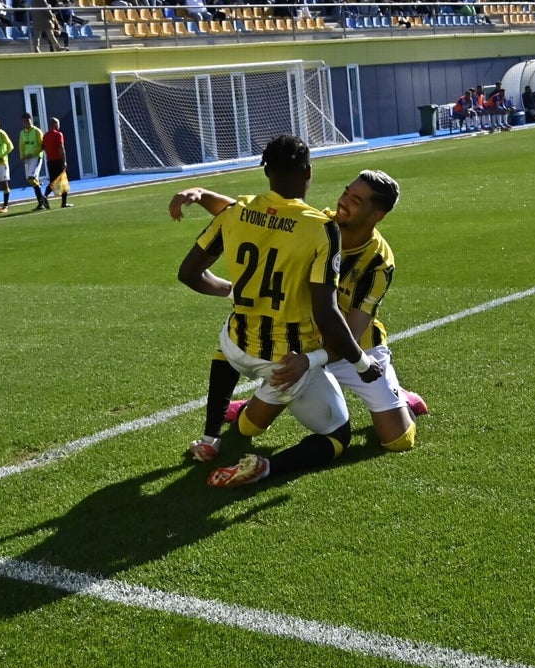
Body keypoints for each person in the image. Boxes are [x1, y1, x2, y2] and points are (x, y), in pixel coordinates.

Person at [171, 170, 426, 463]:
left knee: (398, 440)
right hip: (302, 342)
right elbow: (246, 214)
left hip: (358, 351)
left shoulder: (379, 262)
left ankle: (399, 397)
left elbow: (351, 336)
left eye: (356, 200)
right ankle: (250, 405)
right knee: (247, 426)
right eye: (346, 192)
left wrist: (312, 360)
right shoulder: (319, 224)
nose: (343, 202)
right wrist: (201, 195)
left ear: (376, 215)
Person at [176, 135, 383, 488]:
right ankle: (266, 467)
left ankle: (210, 439)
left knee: (229, 336)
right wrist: (362, 364)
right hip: (285, 364)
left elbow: (188, 273)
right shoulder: (321, 228)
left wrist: (230, 288)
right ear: (308, 172)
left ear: (267, 171)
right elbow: (327, 313)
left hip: (236, 345)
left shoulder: (235, 212)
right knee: (337, 437)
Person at [18, 112, 50, 210]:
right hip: (27, 159)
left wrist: (33, 153)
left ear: (31, 120)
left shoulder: (37, 131)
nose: (26, 123)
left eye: (28, 120)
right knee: (31, 180)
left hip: (36, 157)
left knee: (32, 178)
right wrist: (22, 156)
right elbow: (21, 146)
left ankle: (41, 202)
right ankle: (41, 201)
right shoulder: (22, 133)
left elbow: (42, 145)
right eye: (24, 121)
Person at [42, 117, 71, 208]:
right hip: (58, 161)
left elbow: (44, 147)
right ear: (54, 124)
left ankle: (45, 196)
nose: (59, 126)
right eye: (58, 124)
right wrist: (64, 161)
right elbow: (61, 148)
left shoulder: (45, 136)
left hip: (50, 161)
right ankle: (64, 202)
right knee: (63, 181)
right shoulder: (59, 135)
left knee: (53, 181)